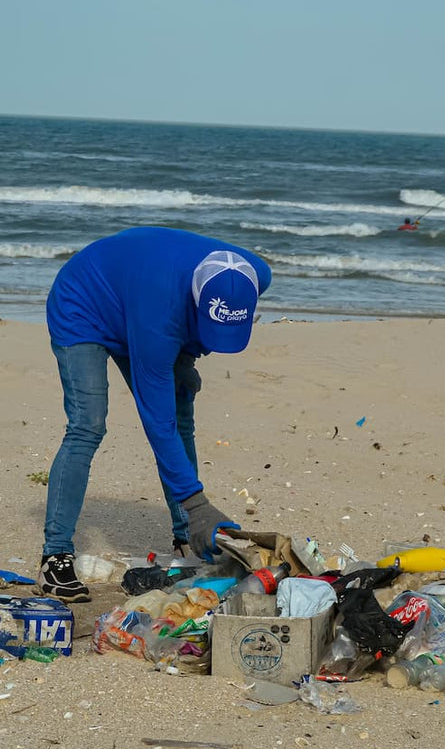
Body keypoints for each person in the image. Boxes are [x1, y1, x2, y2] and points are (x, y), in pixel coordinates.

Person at [39, 226, 272, 602]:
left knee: (183, 415)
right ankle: (55, 555)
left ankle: (187, 539)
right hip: (84, 304)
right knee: (88, 424)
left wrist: (188, 357)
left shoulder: (256, 274)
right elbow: (156, 422)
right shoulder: (158, 316)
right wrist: (199, 504)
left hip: (140, 297)